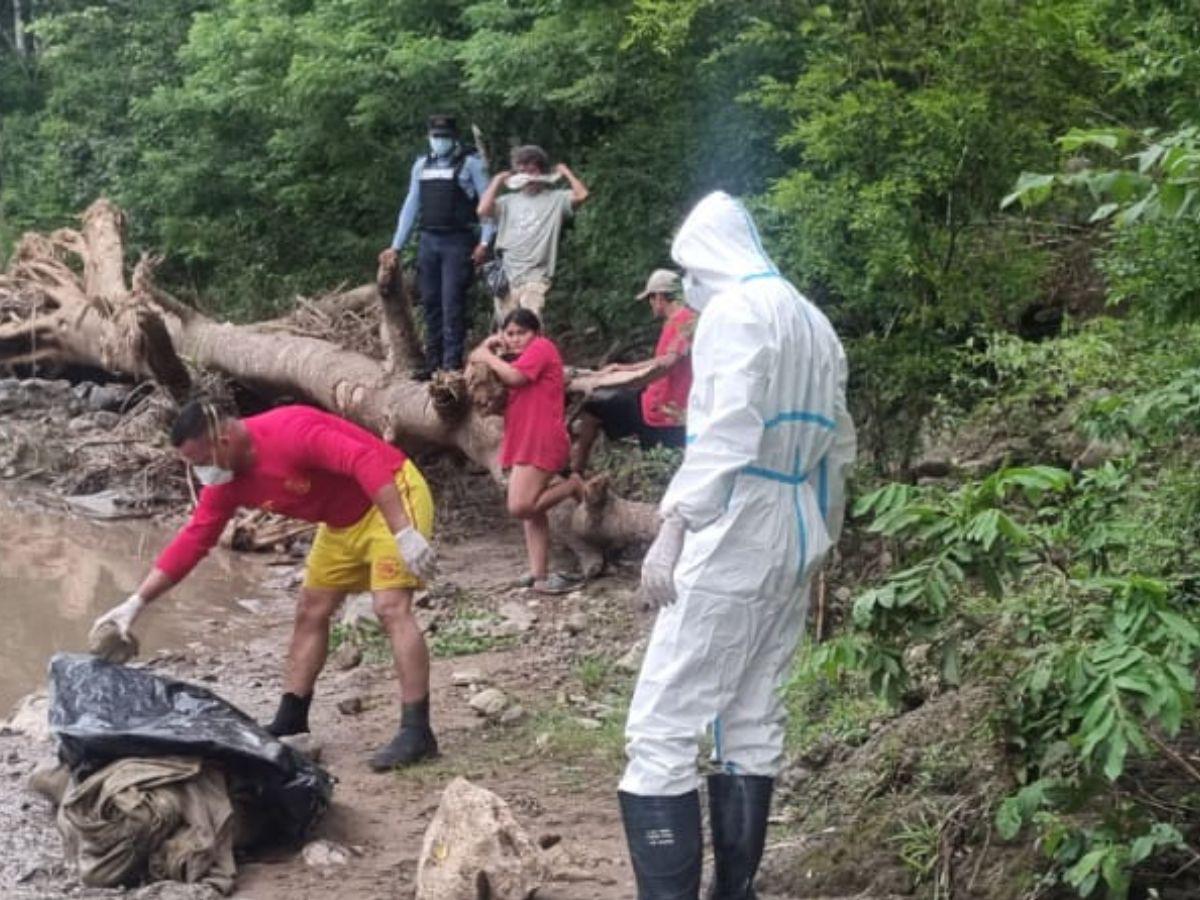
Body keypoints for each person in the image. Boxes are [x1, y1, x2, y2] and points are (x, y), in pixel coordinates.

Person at [617, 192, 857, 899]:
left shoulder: (737, 313)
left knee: (662, 726)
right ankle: (736, 890)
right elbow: (838, 447)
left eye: (690, 265)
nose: (688, 282)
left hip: (737, 519)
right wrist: (824, 535)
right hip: (796, 521)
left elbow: (726, 428)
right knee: (751, 718)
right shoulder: (814, 322)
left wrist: (676, 526)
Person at [89, 401, 442, 771]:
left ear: (223, 441)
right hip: (340, 523)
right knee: (310, 610)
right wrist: (137, 603)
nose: (199, 474)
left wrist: (403, 531)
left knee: (390, 607)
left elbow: (364, 461)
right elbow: (194, 541)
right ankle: (291, 717)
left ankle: (417, 731)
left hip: (391, 494)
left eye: (200, 461)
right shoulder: (226, 482)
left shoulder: (290, 431)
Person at [468, 308, 583, 594]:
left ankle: (573, 484)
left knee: (520, 505)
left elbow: (517, 378)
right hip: (522, 438)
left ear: (536, 333)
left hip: (541, 437)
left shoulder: (542, 348)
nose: (516, 339)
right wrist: (489, 345)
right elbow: (474, 364)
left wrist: (489, 355)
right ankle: (539, 576)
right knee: (531, 515)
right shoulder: (511, 357)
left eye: (522, 333)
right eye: (510, 333)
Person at [380, 114, 494, 378]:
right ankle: (433, 363)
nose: (439, 141)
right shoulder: (422, 165)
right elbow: (411, 206)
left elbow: (488, 208)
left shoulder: (471, 164)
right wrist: (396, 246)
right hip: (429, 240)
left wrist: (485, 241)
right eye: (435, 136)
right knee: (431, 301)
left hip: (458, 240)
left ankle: (451, 363)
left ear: (454, 138)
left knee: (452, 301)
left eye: (444, 137)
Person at [571, 268, 697, 475]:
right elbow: (661, 359)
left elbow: (668, 361)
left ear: (658, 297)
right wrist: (625, 369)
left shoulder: (684, 321)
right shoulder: (676, 321)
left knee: (660, 472)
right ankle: (576, 469)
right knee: (594, 406)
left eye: (650, 299)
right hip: (652, 399)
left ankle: (577, 472)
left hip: (662, 411)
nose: (651, 305)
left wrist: (630, 380)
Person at [477, 145, 589, 324]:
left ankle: (538, 352)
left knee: (530, 323)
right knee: (508, 328)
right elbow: (482, 210)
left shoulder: (556, 199)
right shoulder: (507, 202)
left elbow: (582, 195)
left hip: (536, 275)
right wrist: (497, 181)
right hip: (508, 275)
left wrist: (565, 172)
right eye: (522, 171)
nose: (528, 177)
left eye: (532, 170)